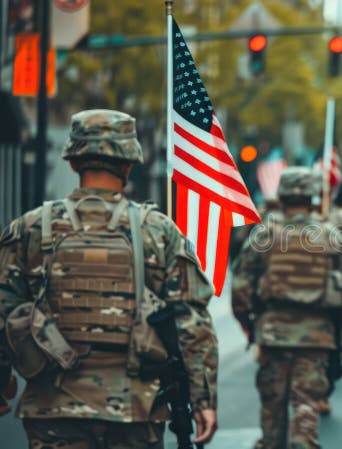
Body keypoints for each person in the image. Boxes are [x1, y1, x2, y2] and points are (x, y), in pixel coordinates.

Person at [0, 109, 218, 448]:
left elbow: (4, 308)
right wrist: (202, 399)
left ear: (73, 163)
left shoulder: (30, 228)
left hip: (52, 409)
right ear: (129, 165)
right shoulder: (157, 230)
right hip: (135, 410)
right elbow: (190, 319)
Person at [232, 166, 342, 449]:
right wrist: (336, 324)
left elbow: (241, 287)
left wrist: (250, 324)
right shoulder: (330, 235)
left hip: (273, 334)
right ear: (312, 197)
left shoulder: (264, 235)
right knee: (306, 408)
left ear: (282, 196)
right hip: (317, 336)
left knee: (272, 411)